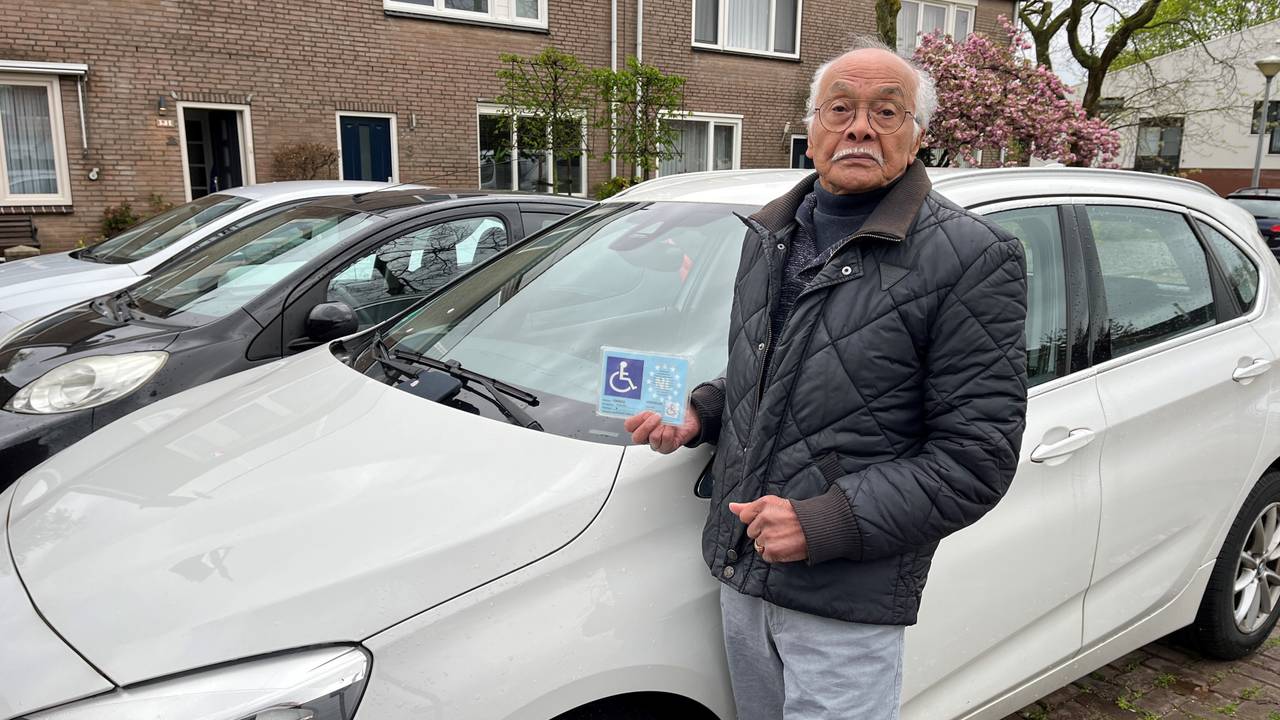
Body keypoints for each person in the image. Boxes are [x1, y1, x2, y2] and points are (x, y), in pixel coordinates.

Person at [624, 38, 1029, 719]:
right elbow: (773, 369)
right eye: (839, 109)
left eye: (886, 112)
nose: (860, 127)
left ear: (918, 136)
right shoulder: (768, 234)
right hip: (742, 570)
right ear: (811, 132)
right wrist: (701, 413)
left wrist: (825, 522)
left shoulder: (973, 258)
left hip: (846, 597)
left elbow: (977, 457)